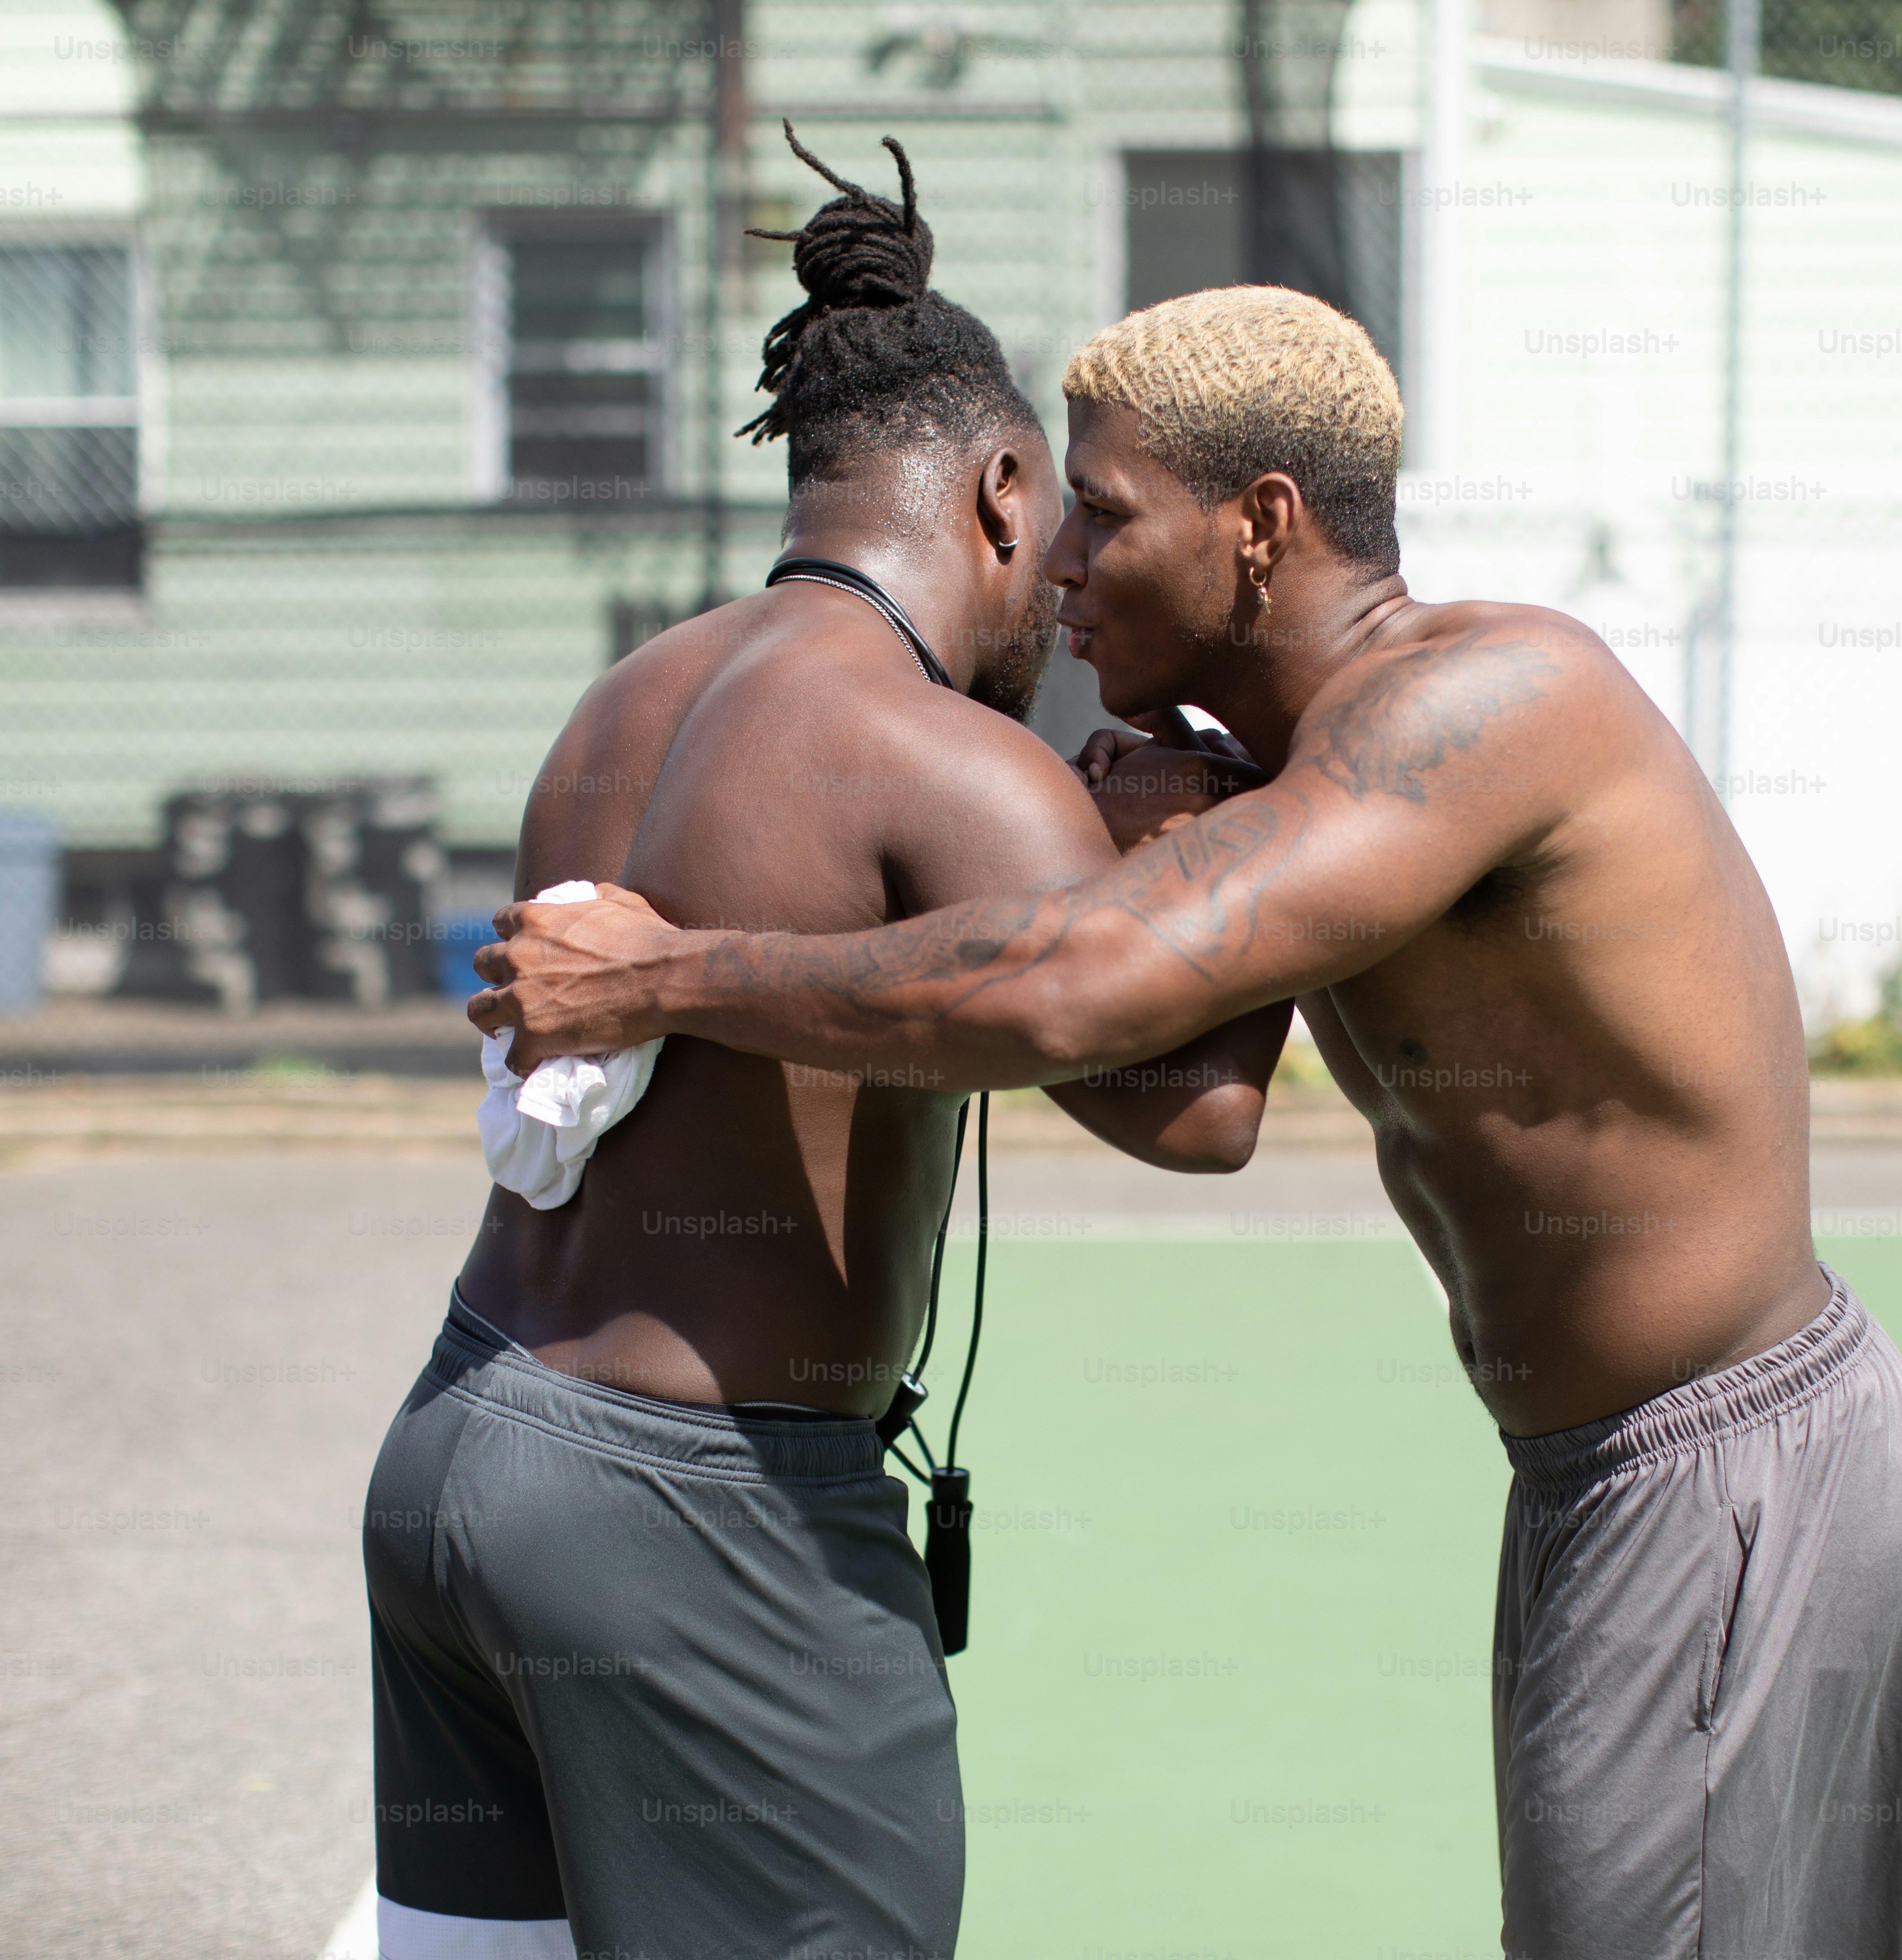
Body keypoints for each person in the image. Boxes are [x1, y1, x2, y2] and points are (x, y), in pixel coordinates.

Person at [472, 284, 1902, 1958]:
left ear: (1261, 526)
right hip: (1592, 1472)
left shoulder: (1493, 699)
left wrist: (668, 974)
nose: (1057, 559)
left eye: (1105, 512)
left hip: (1722, 1455)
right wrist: (1183, 812)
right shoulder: (1299, 769)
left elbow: (1081, 996)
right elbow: (1177, 1038)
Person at [364, 135, 1290, 1960]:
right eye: (1066, 529)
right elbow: (1203, 1115)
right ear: (1001, 492)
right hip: (699, 1522)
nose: (1070, 583)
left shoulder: (628, 695)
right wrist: (1233, 827)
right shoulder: (946, 756)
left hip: (459, 1456)